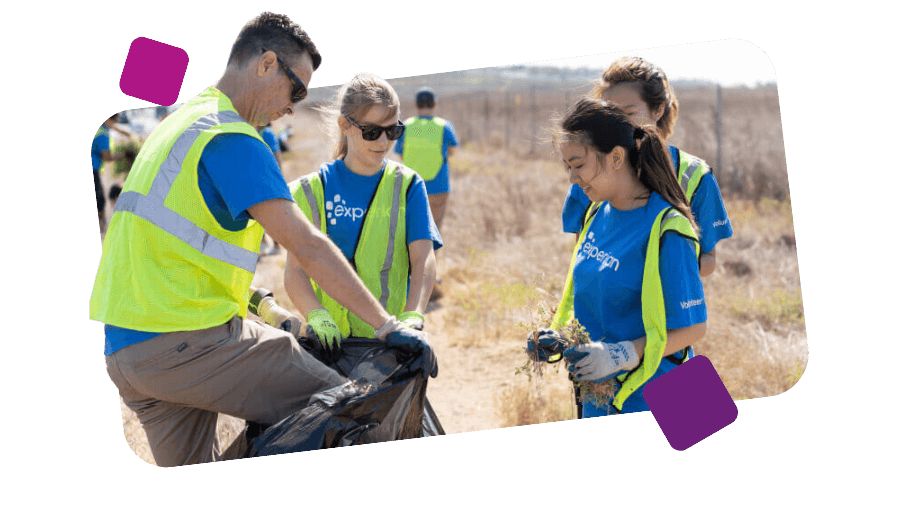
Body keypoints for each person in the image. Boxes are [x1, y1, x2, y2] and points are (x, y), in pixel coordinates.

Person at [90, 13, 436, 467]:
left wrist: (269, 310)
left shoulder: (181, 124)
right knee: (349, 407)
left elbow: (178, 255)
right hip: (187, 342)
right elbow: (307, 246)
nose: (293, 106)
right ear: (266, 63)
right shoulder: (233, 138)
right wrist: (388, 325)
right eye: (297, 89)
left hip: (127, 354)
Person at [530, 98, 707, 418]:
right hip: (601, 394)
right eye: (567, 167)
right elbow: (596, 300)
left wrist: (623, 354)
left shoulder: (668, 228)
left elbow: (694, 329)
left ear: (615, 157)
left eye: (579, 164)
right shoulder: (596, 213)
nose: (572, 177)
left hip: (667, 398)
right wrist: (559, 337)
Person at [286, 73, 442, 361]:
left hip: (389, 341)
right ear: (345, 125)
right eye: (372, 132)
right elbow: (295, 271)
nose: (384, 141)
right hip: (330, 347)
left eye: (392, 131)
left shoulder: (408, 185)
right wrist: (315, 314)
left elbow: (423, 258)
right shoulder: (312, 191)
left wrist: (413, 314)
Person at [561, 56, 732, 277]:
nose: (618, 124)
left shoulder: (696, 176)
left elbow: (708, 260)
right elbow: (582, 254)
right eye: (610, 115)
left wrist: (657, 266)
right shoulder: (589, 171)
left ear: (658, 110)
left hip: (663, 309)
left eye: (629, 113)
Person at [393, 87, 458, 300]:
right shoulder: (443, 126)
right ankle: (429, 280)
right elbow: (451, 151)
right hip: (438, 186)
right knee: (433, 234)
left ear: (416, 105)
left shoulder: (406, 126)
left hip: (411, 186)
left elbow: (400, 152)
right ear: (435, 104)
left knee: (409, 232)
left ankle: (408, 279)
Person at [92, 113, 130, 231]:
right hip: (95, 167)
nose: (115, 124)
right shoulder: (103, 136)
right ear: (109, 119)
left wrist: (127, 134)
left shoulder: (101, 128)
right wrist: (123, 155)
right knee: (100, 199)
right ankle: (102, 226)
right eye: (115, 121)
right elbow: (107, 157)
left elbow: (113, 126)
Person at [258, 122, 283, 256]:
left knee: (271, 214)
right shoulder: (252, 130)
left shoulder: (267, 133)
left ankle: (277, 245)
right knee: (256, 212)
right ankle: (262, 241)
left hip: (268, 180)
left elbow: (277, 155)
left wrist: (279, 179)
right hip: (256, 180)